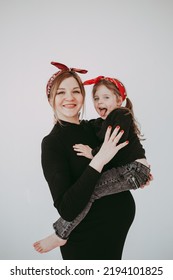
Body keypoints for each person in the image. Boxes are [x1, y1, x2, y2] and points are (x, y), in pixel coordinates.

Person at [33, 62, 151, 259]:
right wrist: (99, 159)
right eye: (61, 92)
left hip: (115, 229)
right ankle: (59, 234)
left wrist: (139, 171)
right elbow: (67, 208)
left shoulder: (95, 128)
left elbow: (122, 153)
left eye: (76, 91)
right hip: (84, 236)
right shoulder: (52, 143)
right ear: (50, 99)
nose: (69, 98)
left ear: (83, 96)